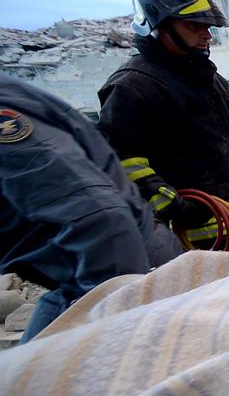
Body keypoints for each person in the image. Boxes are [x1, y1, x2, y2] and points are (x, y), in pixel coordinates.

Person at [0, 74, 180, 341]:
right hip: (103, 262)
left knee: (40, 377)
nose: (207, 37)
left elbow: (99, 216)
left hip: (117, 262)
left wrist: (113, 325)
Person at [97, 0, 229, 249]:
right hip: (197, 240)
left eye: (208, 25)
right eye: (194, 25)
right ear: (158, 25)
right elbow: (122, 163)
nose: (207, 34)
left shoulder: (207, 78)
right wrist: (177, 208)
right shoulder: (131, 88)